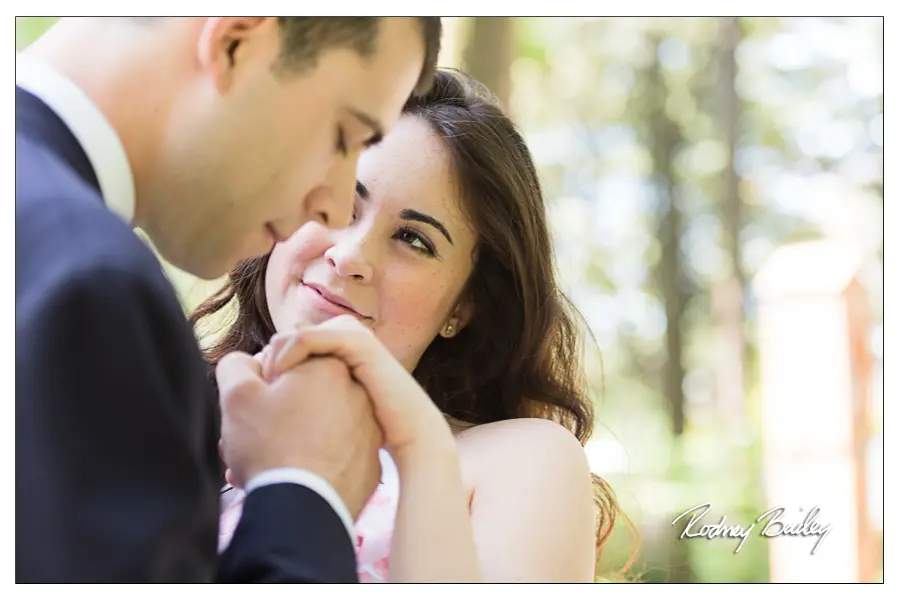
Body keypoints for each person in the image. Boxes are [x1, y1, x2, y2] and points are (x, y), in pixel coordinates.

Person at [16, 16, 442, 582]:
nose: (335, 211)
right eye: (344, 137)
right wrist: (305, 487)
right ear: (236, 41)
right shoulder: (89, 286)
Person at [192, 70, 635, 582]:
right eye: (340, 202)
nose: (349, 255)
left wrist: (417, 445)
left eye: (413, 239)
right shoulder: (166, 416)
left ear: (463, 307)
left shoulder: (519, 461)